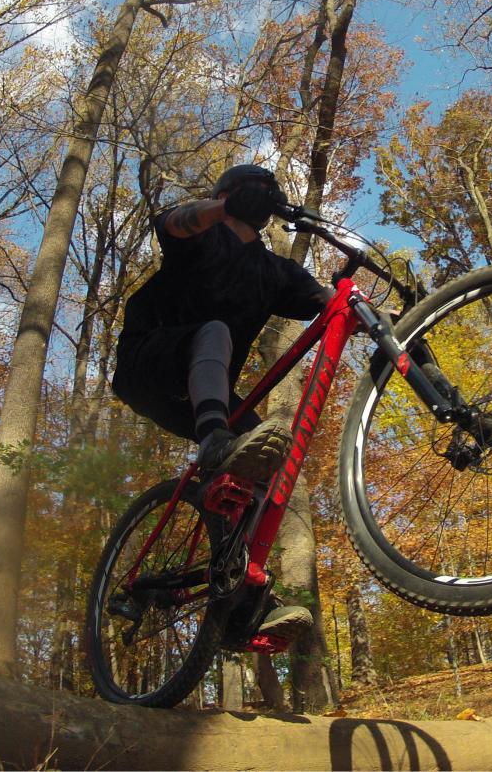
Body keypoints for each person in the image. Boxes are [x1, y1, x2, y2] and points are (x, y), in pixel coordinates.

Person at [111, 163, 330, 644]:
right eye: (253, 193)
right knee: (215, 332)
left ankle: (241, 597)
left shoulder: (275, 272)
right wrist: (223, 209)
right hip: (149, 363)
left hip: (203, 392)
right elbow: (173, 222)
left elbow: (326, 300)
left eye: (267, 195)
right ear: (230, 194)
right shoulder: (203, 236)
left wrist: (394, 318)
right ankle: (214, 438)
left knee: (269, 465)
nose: (262, 201)